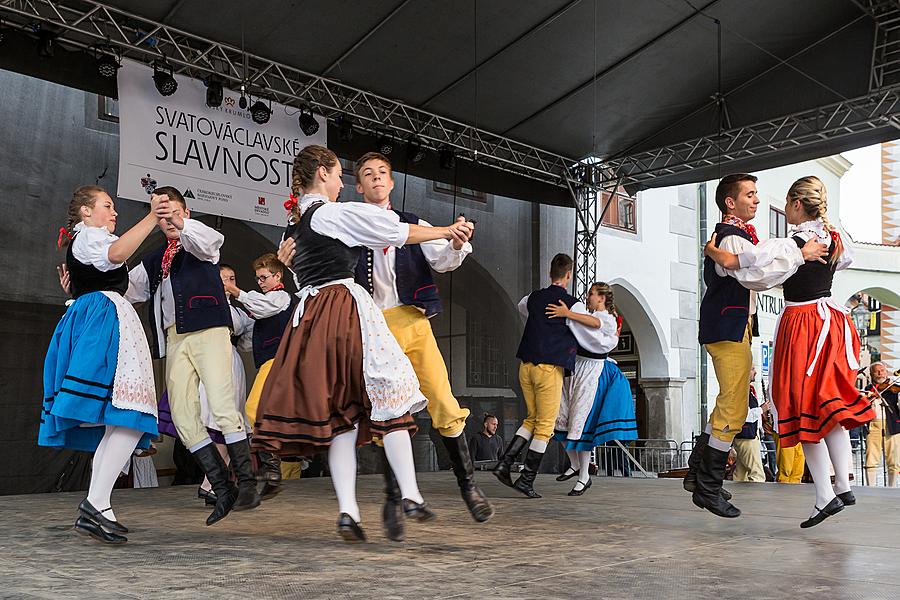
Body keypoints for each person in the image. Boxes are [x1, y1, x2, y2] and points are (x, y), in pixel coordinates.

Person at [255, 144, 474, 542]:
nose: (343, 182)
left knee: (344, 416)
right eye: (340, 174)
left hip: (308, 319)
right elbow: (394, 231)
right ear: (322, 173)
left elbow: (297, 273)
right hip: (343, 308)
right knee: (393, 393)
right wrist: (445, 230)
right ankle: (409, 493)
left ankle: (348, 512)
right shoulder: (331, 213)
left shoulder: (296, 223)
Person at [707, 175, 874, 527]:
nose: (783, 210)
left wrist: (714, 252)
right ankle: (841, 485)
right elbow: (843, 260)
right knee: (826, 403)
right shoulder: (834, 238)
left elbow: (751, 268)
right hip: (830, 320)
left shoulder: (794, 241)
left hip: (803, 322)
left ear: (797, 205)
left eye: (785, 203)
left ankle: (827, 494)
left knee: (799, 406)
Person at [350, 152, 493, 532]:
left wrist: (457, 241)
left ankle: (469, 487)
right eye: (368, 174)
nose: (377, 178)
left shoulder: (412, 223)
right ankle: (393, 499)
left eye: (382, 172)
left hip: (412, 322)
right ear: (359, 185)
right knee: (386, 413)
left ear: (392, 183)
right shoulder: (351, 227)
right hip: (373, 330)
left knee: (443, 401)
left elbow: (445, 259)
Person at [688, 173, 827, 518]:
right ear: (730, 202)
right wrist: (799, 252)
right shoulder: (732, 237)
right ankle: (707, 486)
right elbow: (756, 277)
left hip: (733, 327)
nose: (757, 200)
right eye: (750, 194)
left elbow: (759, 270)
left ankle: (697, 472)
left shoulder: (734, 237)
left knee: (729, 402)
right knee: (734, 407)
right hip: (728, 328)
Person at [126, 186, 260, 526]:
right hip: (176, 338)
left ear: (185, 213)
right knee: (184, 417)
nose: (168, 220)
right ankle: (219, 487)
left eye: (175, 213)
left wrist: (179, 220)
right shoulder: (155, 258)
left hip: (209, 330)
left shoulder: (201, 244)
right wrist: (86, 282)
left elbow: (212, 241)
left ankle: (246, 483)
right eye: (163, 216)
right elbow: (129, 288)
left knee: (221, 405)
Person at [41, 186, 160, 544]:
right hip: (106, 325)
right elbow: (116, 251)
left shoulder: (90, 242)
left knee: (120, 420)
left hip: (106, 318)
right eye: (107, 206)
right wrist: (153, 217)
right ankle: (95, 503)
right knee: (130, 414)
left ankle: (99, 505)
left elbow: (118, 274)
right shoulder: (91, 237)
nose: (114, 213)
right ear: (85, 213)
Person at [155, 263, 254, 507]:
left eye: (232, 278)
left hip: (229, 362)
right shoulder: (211, 308)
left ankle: (211, 485)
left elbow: (249, 336)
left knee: (226, 425)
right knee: (210, 422)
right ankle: (211, 484)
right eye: (223, 278)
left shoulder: (236, 312)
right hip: (207, 359)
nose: (228, 282)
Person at [493, 254, 578, 499]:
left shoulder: (532, 298)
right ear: (569, 275)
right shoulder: (572, 304)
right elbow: (588, 327)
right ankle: (526, 479)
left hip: (526, 365)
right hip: (548, 368)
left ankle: (504, 464)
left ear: (551, 273)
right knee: (545, 426)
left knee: (532, 419)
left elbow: (524, 309)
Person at [550, 282, 637, 495]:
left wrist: (567, 313)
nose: (588, 297)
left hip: (592, 370)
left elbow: (596, 323)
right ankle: (576, 465)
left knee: (582, 421)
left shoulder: (607, 318)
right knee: (560, 418)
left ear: (601, 298)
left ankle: (584, 476)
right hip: (576, 366)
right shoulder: (588, 318)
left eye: (591, 294)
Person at [224, 253, 296, 500]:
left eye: (264, 277)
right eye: (258, 278)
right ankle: (272, 471)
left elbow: (264, 308)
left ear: (278, 276)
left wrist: (236, 291)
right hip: (270, 362)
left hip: (279, 361)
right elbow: (248, 341)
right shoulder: (265, 305)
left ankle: (272, 469)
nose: (260, 282)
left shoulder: (281, 297)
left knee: (253, 411)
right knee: (260, 414)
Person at [864, 362, 900, 487]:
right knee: (871, 458)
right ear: (871, 374)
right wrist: (868, 398)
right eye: (877, 371)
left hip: (892, 425)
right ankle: (871, 487)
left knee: (894, 460)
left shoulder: (893, 388)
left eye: (883, 370)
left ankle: (893, 487)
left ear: (887, 372)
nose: (880, 373)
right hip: (873, 425)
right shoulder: (868, 389)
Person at [732, 367, 765, 482]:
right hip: (746, 438)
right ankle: (756, 498)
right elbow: (742, 415)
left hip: (746, 435)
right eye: (752, 369)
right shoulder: (741, 391)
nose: (755, 372)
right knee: (757, 474)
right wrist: (761, 409)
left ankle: (738, 497)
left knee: (740, 475)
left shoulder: (746, 390)